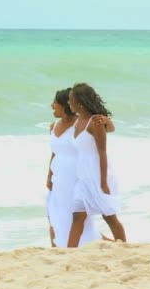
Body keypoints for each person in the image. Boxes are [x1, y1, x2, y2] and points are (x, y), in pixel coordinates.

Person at [46, 87, 114, 247]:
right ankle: (56, 248)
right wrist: (49, 175)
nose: (51, 105)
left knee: (76, 216)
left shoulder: (81, 123)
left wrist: (106, 120)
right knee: (54, 214)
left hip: (76, 176)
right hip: (58, 177)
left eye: (54, 103)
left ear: (64, 105)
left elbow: (107, 130)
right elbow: (54, 153)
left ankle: (98, 243)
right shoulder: (53, 126)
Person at [67, 83, 127, 247]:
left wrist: (103, 183)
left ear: (80, 102)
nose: (69, 102)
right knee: (77, 216)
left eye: (71, 99)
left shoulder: (96, 122)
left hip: (98, 176)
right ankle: (69, 252)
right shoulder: (78, 121)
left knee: (109, 217)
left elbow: (102, 152)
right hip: (83, 177)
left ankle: (124, 248)